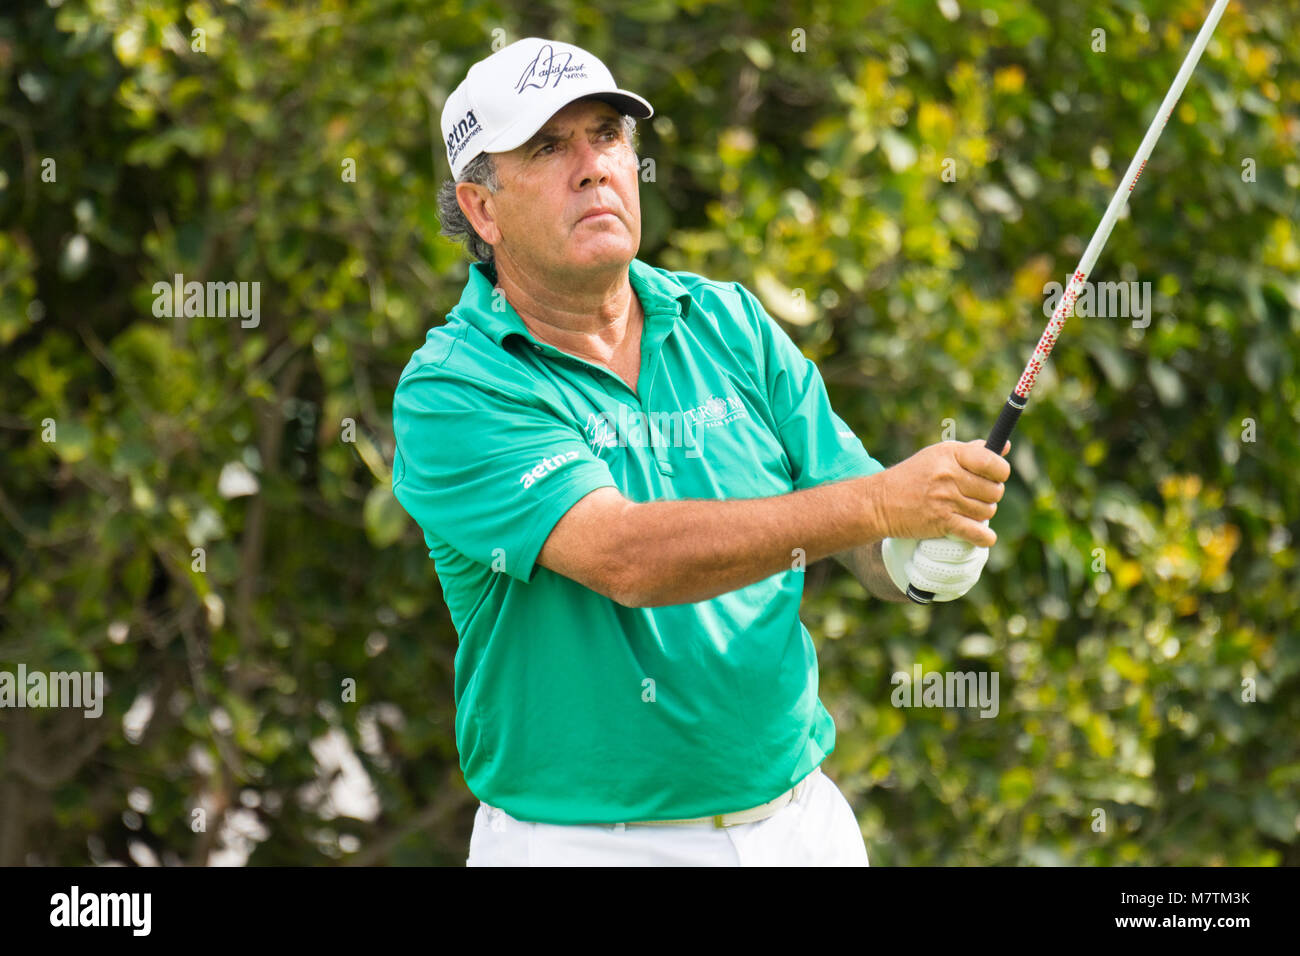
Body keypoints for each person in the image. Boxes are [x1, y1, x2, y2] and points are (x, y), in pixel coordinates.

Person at [391, 37, 1011, 866]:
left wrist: (917, 555)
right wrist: (882, 505)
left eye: (607, 135)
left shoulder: (730, 323)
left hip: (800, 825)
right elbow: (628, 557)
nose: (591, 166)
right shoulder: (454, 388)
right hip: (582, 844)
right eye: (548, 147)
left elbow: (861, 522)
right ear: (482, 209)